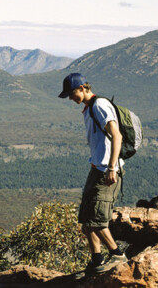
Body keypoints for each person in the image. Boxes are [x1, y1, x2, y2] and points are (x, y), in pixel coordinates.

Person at [58, 72, 126, 273]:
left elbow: (117, 136)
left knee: (95, 220)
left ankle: (117, 254)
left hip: (107, 171)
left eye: (72, 94)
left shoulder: (100, 105)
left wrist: (112, 168)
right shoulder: (89, 108)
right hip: (96, 169)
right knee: (86, 219)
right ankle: (97, 259)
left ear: (82, 88)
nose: (71, 98)